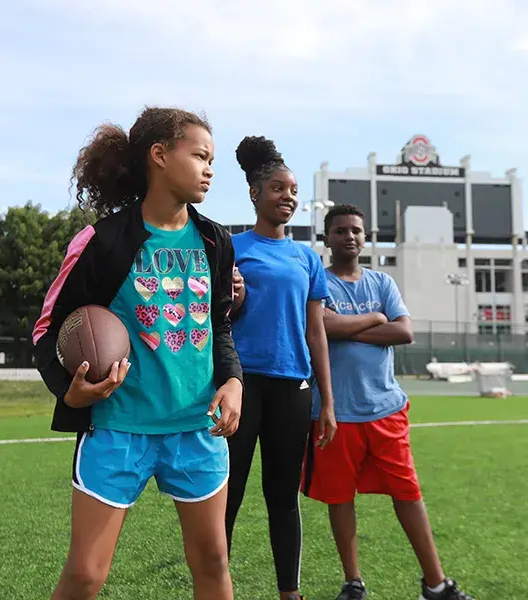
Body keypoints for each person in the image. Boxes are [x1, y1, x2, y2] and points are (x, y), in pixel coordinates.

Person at [31, 108, 244, 600]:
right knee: (86, 574)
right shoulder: (102, 241)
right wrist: (71, 389)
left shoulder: (216, 241)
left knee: (213, 561)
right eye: (200, 156)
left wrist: (232, 381)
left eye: (212, 159)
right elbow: (47, 328)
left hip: (196, 427)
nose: (210, 169)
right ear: (160, 156)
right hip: (118, 428)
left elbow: (220, 325)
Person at [301, 204, 475, 600]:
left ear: (366, 238)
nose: (349, 236)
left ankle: (435, 584)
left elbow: (405, 332)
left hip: (385, 409)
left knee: (408, 492)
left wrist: (346, 330)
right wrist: (375, 320)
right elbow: (320, 326)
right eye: (341, 230)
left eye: (356, 231)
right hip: (333, 413)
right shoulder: (318, 282)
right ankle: (353, 581)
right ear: (327, 238)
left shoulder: (382, 282)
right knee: (339, 497)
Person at [224, 135, 338, 600]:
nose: (288, 196)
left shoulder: (307, 258)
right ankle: (217, 586)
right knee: (226, 494)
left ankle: (290, 592)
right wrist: (236, 300)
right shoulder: (230, 247)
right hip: (241, 385)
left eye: (292, 190)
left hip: (294, 387)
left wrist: (326, 401)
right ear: (255, 193)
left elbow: (317, 332)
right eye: (278, 188)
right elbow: (218, 317)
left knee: (282, 497)